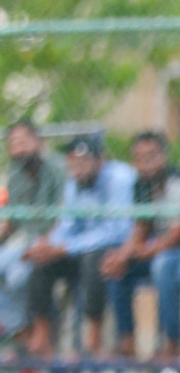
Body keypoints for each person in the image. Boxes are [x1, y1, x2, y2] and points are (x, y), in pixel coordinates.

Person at [23, 134, 136, 356]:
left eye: (84, 161)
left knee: (94, 259)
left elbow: (117, 231)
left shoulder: (120, 178)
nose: (78, 167)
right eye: (73, 162)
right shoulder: (74, 182)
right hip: (82, 247)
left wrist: (66, 247)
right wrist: (45, 246)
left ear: (100, 160)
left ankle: (94, 332)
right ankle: (42, 333)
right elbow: (67, 225)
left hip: (118, 248)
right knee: (42, 263)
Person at [104, 132, 180, 358]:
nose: (146, 163)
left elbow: (179, 234)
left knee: (163, 265)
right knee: (119, 270)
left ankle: (171, 340)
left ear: (163, 156)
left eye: (151, 156)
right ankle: (126, 340)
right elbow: (140, 229)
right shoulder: (141, 186)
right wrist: (122, 256)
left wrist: (143, 251)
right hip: (159, 248)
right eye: (139, 158)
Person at [0, 121, 67, 341]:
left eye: (23, 142)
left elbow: (64, 215)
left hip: (54, 242)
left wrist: (43, 244)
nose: (19, 149)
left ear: (38, 142)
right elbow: (12, 221)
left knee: (17, 277)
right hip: (23, 243)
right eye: (14, 144)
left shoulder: (57, 168)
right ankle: (20, 331)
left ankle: (40, 334)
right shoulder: (16, 174)